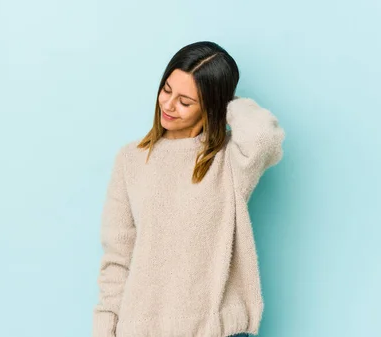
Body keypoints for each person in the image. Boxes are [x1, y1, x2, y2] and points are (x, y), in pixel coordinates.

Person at [92, 41, 285, 337]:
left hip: (213, 330)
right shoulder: (131, 160)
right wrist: (105, 328)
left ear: (209, 105)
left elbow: (263, 139)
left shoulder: (228, 159)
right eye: (167, 90)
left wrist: (227, 103)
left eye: (185, 101)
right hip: (141, 329)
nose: (168, 105)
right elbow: (117, 257)